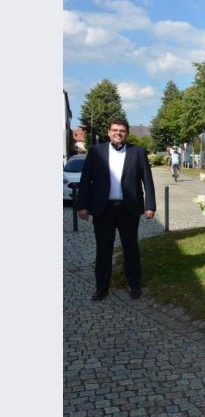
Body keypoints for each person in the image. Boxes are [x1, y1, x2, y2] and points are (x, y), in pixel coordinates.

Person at [77, 118, 156, 300]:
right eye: (114, 130)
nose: (118, 133)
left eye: (122, 130)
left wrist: (150, 205)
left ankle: (134, 285)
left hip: (129, 209)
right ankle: (101, 288)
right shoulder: (96, 152)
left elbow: (147, 180)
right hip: (103, 209)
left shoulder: (138, 152)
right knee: (103, 250)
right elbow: (86, 179)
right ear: (109, 132)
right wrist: (82, 205)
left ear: (127, 133)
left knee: (131, 249)